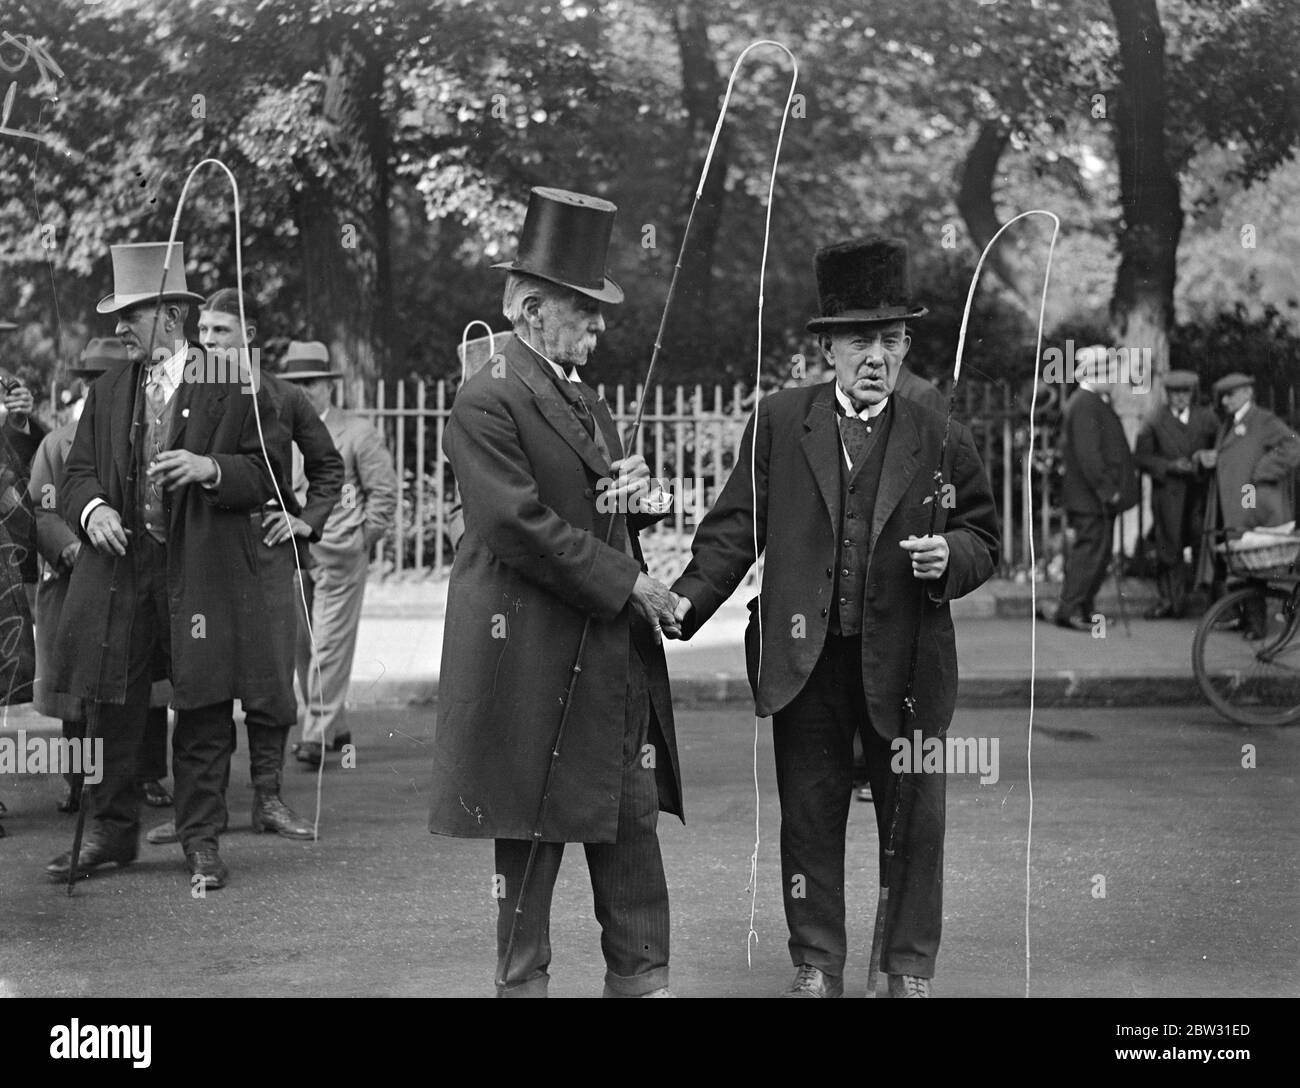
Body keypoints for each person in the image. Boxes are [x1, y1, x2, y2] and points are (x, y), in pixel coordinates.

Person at [670, 238, 1000, 998]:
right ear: (827, 347)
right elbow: (734, 530)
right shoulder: (783, 421)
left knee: (914, 821)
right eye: (859, 341)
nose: (876, 358)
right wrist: (686, 600)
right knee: (809, 818)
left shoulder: (938, 426)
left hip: (909, 660)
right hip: (805, 661)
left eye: (890, 340)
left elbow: (983, 536)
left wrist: (949, 556)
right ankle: (817, 961)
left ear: (907, 344)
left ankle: (908, 967)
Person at [428, 187, 684, 998]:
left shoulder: (581, 392)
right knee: (531, 839)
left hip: (604, 656)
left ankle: (642, 981)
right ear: (533, 309)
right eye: (585, 309)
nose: (600, 326)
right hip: (532, 657)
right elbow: (516, 525)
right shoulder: (486, 395)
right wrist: (632, 581)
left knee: (630, 823)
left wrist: (636, 496)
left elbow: (591, 505)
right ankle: (523, 987)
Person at [45, 241, 283, 891]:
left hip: (200, 568)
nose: (118, 328)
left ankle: (201, 839)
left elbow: (270, 475)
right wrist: (91, 508)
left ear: (170, 316)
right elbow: (76, 476)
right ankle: (109, 832)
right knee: (111, 704)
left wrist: (211, 469)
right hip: (124, 569)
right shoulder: (110, 387)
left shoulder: (232, 380)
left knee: (203, 703)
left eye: (130, 315)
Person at [144, 292, 344, 846]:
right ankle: (198, 811)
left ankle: (268, 799)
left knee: (269, 680)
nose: (208, 341)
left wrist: (307, 521)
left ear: (249, 333)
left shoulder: (283, 396)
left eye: (221, 331)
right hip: (202, 553)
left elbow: (328, 466)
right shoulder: (181, 393)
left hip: (267, 552)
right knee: (201, 679)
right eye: (203, 331)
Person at [28, 338, 172, 813]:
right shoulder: (57, 442)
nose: (96, 390)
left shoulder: (148, 433)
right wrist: (68, 547)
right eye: (89, 381)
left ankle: (149, 775)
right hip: (73, 579)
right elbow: (43, 509)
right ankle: (79, 781)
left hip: (130, 575)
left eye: (102, 381)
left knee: (143, 686)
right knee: (78, 692)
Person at [278, 341, 396, 768]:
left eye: (311, 383)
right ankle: (336, 726)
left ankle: (314, 735)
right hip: (295, 551)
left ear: (328, 385)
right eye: (296, 384)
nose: (304, 391)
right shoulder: (281, 431)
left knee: (328, 644)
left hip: (340, 553)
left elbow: (384, 493)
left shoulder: (358, 432)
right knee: (303, 645)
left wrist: (363, 539)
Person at [1196, 372, 1300, 636]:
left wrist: (1263, 471)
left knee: (1250, 563)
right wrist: (1212, 457)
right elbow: (1233, 454)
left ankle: (1256, 624)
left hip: (1251, 501)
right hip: (1233, 500)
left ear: (1247, 394)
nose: (1225, 401)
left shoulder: (1263, 420)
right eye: (1223, 396)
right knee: (1240, 562)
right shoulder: (1229, 423)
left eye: (1230, 395)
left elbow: (1293, 447)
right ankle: (1247, 619)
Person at [1049, 345, 1140, 631]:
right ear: (1096, 373)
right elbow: (1090, 455)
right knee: (1089, 554)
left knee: (1097, 554)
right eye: (1110, 372)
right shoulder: (1085, 403)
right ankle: (1071, 609)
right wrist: (1107, 490)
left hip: (1093, 498)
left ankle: (1084, 608)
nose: (1114, 378)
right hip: (1091, 498)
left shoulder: (1090, 401)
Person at [1133, 370, 1217, 619]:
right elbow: (1141, 457)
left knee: (1203, 540)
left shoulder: (1207, 418)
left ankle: (1209, 601)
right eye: (1174, 393)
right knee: (1168, 545)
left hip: (1200, 491)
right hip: (1168, 492)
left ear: (1192, 394)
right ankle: (1170, 601)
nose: (1180, 398)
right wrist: (1170, 466)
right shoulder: (1154, 419)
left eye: (1185, 393)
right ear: (1166, 394)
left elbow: (1221, 447)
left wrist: (1205, 460)